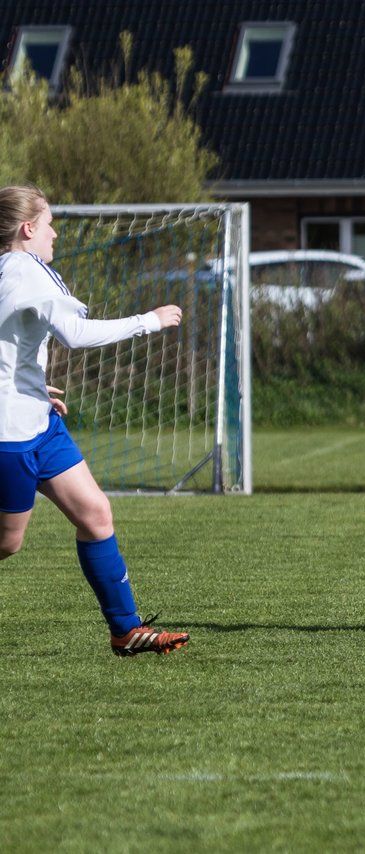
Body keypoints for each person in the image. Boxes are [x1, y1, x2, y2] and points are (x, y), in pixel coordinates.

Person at [0, 185, 190, 656]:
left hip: (39, 423)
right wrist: (149, 320)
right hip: (10, 435)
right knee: (8, 543)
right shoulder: (28, 273)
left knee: (96, 514)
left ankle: (126, 631)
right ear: (28, 229)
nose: (55, 234)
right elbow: (76, 334)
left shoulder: (10, 272)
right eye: (48, 224)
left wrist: (27, 383)